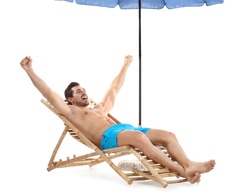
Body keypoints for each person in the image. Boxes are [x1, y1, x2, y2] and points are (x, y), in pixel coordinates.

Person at [20, 55, 215, 184]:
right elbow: (50, 93)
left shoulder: (98, 109)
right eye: (79, 92)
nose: (84, 93)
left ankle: (189, 164)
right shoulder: (71, 111)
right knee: (138, 138)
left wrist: (125, 66)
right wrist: (29, 70)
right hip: (107, 138)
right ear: (70, 99)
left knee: (168, 135)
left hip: (124, 129)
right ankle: (182, 171)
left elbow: (114, 89)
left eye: (84, 90)